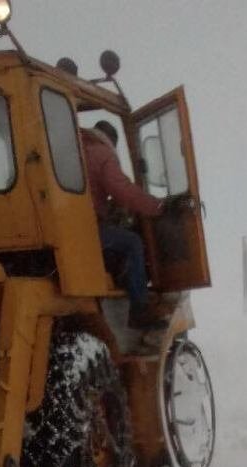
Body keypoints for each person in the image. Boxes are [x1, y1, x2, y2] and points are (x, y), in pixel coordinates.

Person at [80, 120, 166, 329]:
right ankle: (139, 310)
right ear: (112, 141)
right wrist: (157, 206)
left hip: (70, 226)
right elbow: (123, 191)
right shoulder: (102, 153)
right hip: (86, 230)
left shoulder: (76, 148)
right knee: (133, 242)